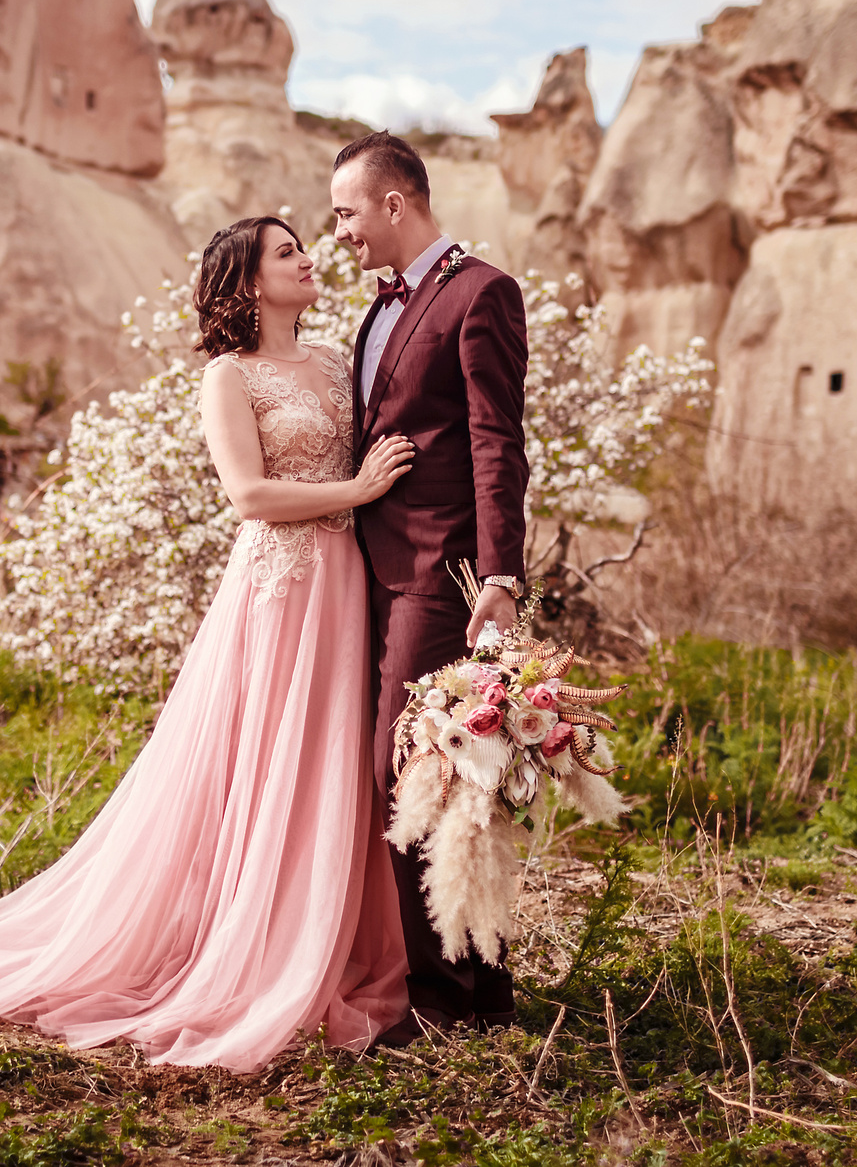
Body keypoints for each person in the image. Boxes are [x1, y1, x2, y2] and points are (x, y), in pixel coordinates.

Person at [0, 216, 415, 1070]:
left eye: (305, 245)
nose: (309, 259)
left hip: (350, 584)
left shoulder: (340, 360)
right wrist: (358, 486)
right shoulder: (230, 374)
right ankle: (248, 947)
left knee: (332, 761)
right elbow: (249, 494)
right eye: (287, 251)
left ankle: (326, 937)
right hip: (283, 584)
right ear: (250, 281)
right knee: (271, 756)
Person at [329, 131, 530, 1042]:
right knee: (434, 777)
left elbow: (497, 443)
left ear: (394, 204)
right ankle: (482, 989)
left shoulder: (481, 293)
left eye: (347, 213)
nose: (339, 232)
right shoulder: (376, 313)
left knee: (407, 773)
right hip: (364, 577)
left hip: (437, 576)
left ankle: (437, 992)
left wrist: (499, 573)